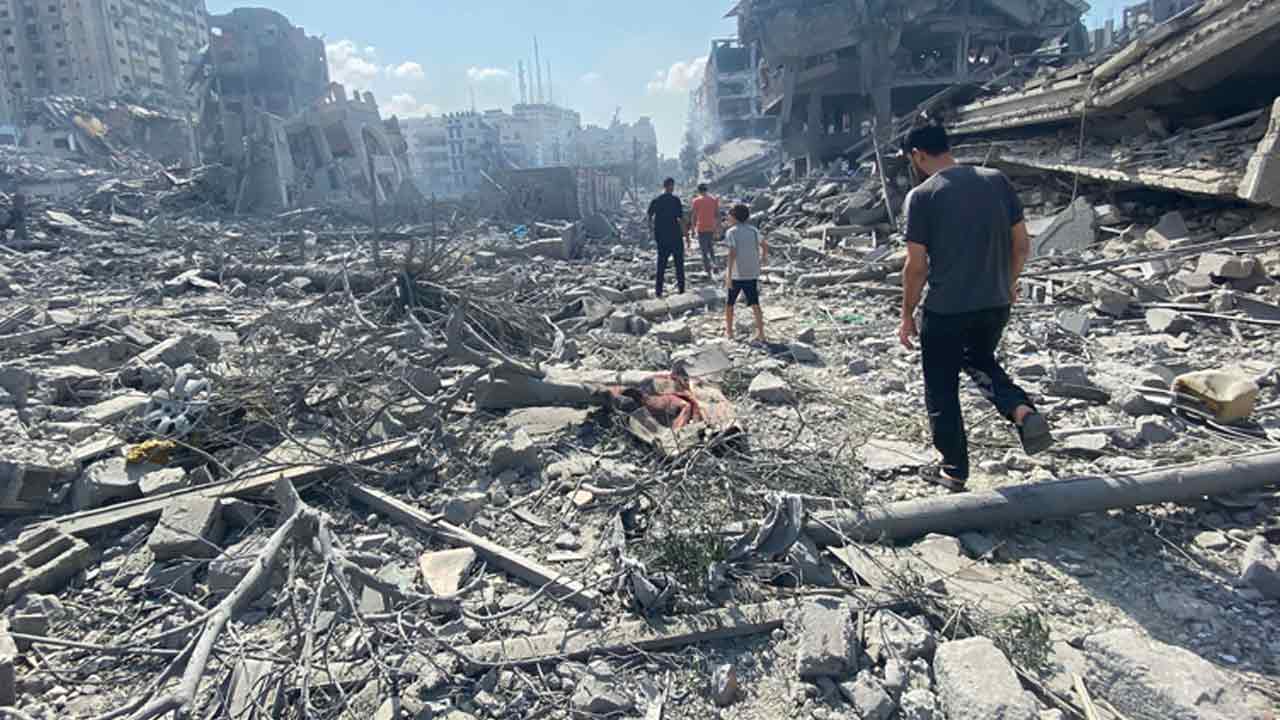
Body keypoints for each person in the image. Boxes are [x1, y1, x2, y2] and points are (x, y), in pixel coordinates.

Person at [898, 125, 1052, 492]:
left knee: (941, 387)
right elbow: (1022, 245)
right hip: (995, 303)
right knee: (980, 360)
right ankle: (1020, 410)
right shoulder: (996, 180)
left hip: (946, 310)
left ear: (918, 155)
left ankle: (954, 470)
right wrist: (1008, 282)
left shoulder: (922, 196)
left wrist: (907, 314)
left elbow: (916, 266)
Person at [724, 203, 767, 342]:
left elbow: (732, 253)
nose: (728, 217)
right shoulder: (754, 230)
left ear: (734, 217)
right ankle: (761, 333)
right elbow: (764, 245)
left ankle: (729, 332)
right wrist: (763, 258)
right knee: (755, 303)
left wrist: (728, 275)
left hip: (737, 274)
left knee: (730, 303)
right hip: (751, 272)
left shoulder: (731, 232)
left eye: (730, 215)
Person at [647, 178, 685, 297]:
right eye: (672, 186)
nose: (672, 188)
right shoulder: (675, 200)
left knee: (661, 265)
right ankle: (681, 289)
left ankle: (658, 291)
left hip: (662, 237)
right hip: (675, 236)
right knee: (679, 264)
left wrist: (652, 231)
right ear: (671, 186)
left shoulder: (656, 200)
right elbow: (681, 219)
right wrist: (686, 234)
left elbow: (649, 217)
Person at [688, 183, 720, 279]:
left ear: (699, 191)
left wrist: (692, 229)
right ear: (706, 190)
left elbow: (694, 216)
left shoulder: (696, 201)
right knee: (711, 248)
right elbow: (717, 215)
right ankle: (715, 264)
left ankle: (708, 270)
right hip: (711, 227)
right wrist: (717, 228)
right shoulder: (713, 200)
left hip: (701, 228)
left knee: (704, 250)